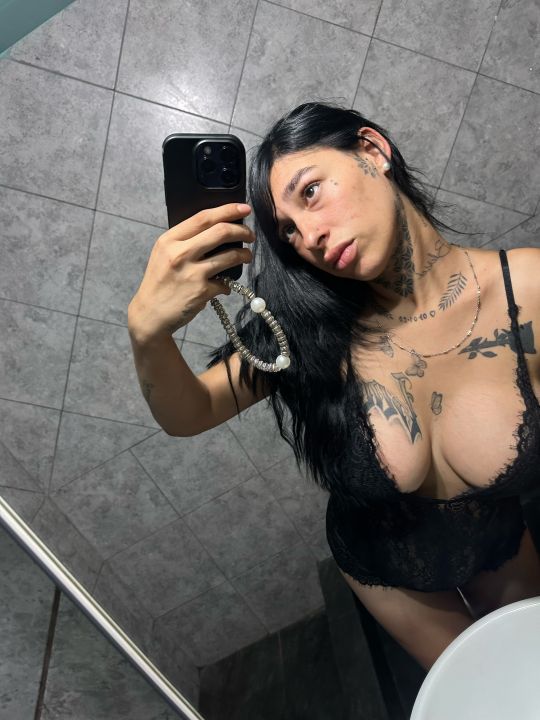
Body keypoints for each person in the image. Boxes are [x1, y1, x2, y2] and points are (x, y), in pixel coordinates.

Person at [128, 102, 540, 671]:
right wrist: (146, 333)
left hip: (501, 541)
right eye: (288, 231)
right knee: (480, 695)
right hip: (384, 566)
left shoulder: (528, 291)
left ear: (373, 151)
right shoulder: (306, 331)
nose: (310, 236)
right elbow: (189, 413)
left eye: (312, 192)